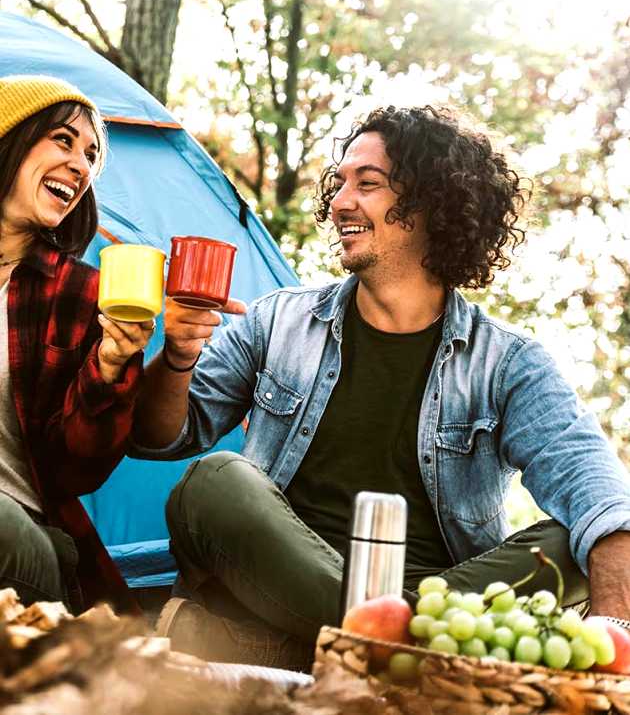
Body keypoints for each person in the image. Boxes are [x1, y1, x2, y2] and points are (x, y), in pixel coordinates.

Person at [133, 104, 630, 670]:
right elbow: (159, 437)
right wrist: (176, 358)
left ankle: (340, 645)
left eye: (366, 185)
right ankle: (397, 650)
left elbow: (602, 494)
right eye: (339, 184)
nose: (341, 202)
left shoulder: (509, 364)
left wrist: (614, 631)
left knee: (578, 540)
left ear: (432, 206)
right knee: (214, 480)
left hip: (442, 595)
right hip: (282, 579)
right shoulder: (278, 322)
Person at [0, 75, 154, 613]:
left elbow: (76, 471)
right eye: (63, 141)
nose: (82, 166)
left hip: (25, 534)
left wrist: (110, 364)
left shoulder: (83, 295)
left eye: (90, 155)